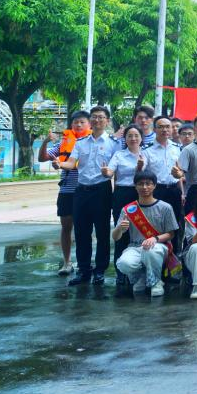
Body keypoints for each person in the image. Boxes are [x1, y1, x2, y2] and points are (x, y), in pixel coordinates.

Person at [56, 105, 119, 286]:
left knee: (102, 232)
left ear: (107, 121)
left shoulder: (114, 143)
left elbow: (117, 168)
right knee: (81, 232)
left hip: (102, 190)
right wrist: (59, 164)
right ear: (90, 121)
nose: (97, 120)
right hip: (81, 191)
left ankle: (99, 271)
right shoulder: (81, 142)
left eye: (101, 117)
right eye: (94, 117)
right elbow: (71, 163)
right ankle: (84, 270)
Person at [38, 110, 90, 275]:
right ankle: (67, 262)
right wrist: (45, 142)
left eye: (82, 122)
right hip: (67, 190)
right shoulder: (64, 142)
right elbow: (42, 158)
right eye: (76, 122)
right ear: (71, 125)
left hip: (86, 189)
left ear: (89, 124)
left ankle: (84, 263)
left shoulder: (93, 142)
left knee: (85, 228)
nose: (79, 125)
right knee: (66, 226)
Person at [112, 171, 179, 297]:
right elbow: (115, 237)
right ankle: (140, 278)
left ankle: (155, 282)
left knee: (150, 250)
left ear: (154, 186)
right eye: (140, 184)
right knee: (123, 263)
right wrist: (120, 228)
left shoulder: (165, 207)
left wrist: (155, 239)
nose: (144, 187)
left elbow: (171, 234)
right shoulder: (128, 209)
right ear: (135, 186)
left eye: (148, 184)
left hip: (159, 247)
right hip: (135, 247)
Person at [103, 124, 145, 291]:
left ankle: (142, 271)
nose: (133, 138)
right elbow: (110, 172)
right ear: (125, 139)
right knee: (122, 231)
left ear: (141, 138)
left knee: (142, 231)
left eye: (136, 135)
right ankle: (121, 273)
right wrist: (106, 172)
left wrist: (140, 168)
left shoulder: (146, 153)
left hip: (142, 194)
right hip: (123, 194)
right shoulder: (119, 154)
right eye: (129, 136)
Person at [143, 116, 183, 237]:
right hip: (156, 191)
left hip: (174, 190)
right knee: (155, 223)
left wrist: (182, 191)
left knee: (175, 224)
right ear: (154, 129)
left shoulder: (178, 148)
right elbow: (141, 171)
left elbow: (181, 173)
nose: (164, 130)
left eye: (167, 127)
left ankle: (175, 249)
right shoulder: (146, 149)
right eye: (160, 127)